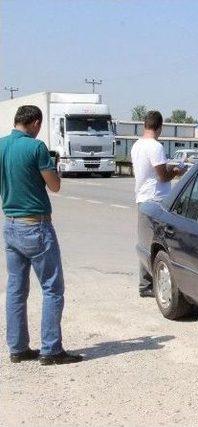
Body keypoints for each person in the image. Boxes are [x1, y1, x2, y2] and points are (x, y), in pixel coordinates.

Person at [0, 105, 82, 365]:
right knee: (52, 288)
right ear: (35, 122)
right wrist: (53, 166)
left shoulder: (1, 145)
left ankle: (18, 348)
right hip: (35, 226)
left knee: (15, 289)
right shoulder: (36, 148)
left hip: (10, 224)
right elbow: (54, 186)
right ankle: (51, 349)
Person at [131, 111, 185, 297]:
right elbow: (162, 176)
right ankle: (155, 285)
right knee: (163, 243)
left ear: (145, 125)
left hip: (142, 197)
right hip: (157, 200)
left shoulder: (137, 145)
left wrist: (168, 167)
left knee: (145, 242)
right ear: (160, 127)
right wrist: (177, 170)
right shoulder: (155, 147)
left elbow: (151, 171)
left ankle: (145, 285)